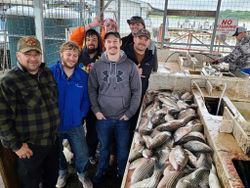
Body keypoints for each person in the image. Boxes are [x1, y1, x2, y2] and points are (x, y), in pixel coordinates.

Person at [0, 36, 60, 188]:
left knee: (51, 179)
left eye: (36, 54)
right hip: (30, 147)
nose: (33, 58)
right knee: (30, 183)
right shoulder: (9, 81)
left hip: (52, 141)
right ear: (18, 55)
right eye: (28, 54)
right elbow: (2, 118)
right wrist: (16, 146)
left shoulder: (46, 73)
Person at [88, 31, 142, 185]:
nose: (112, 44)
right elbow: (92, 89)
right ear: (104, 45)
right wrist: (96, 111)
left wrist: (129, 113)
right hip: (103, 117)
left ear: (120, 43)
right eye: (109, 42)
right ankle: (100, 173)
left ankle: (121, 176)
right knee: (104, 149)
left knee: (123, 152)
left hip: (123, 118)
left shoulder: (130, 66)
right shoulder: (98, 66)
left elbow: (137, 91)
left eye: (115, 41)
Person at [50, 41, 92, 188]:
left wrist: (80, 115)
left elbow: (86, 99)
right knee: (57, 151)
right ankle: (62, 172)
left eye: (75, 55)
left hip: (75, 123)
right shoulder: (50, 72)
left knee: (82, 153)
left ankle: (82, 174)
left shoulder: (83, 76)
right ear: (61, 54)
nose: (72, 58)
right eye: (68, 54)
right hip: (55, 123)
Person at [123, 28, 155, 141]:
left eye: (146, 39)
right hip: (121, 100)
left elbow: (147, 76)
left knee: (134, 127)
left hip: (139, 99)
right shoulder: (122, 54)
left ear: (149, 42)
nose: (143, 41)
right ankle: (114, 154)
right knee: (120, 128)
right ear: (134, 38)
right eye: (140, 38)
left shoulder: (151, 57)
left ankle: (130, 149)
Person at [78, 28, 102, 165]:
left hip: (95, 102)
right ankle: (78, 153)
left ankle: (91, 153)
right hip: (79, 101)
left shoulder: (104, 57)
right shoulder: (79, 56)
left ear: (98, 42)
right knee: (77, 129)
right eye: (88, 39)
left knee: (93, 130)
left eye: (94, 39)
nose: (91, 42)